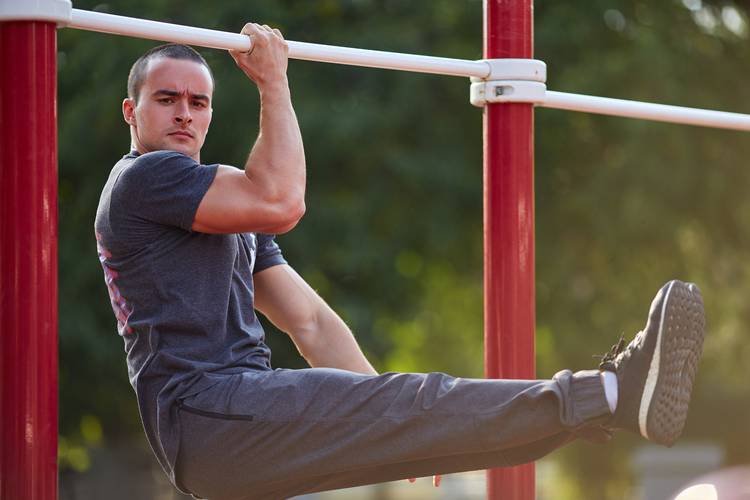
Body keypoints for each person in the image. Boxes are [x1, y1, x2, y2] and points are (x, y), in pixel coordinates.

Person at [94, 23, 706, 500]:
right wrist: (273, 83)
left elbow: (309, 322)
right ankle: (610, 393)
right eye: (166, 98)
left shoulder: (222, 206)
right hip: (211, 413)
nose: (184, 113)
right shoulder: (143, 181)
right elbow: (281, 199)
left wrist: (400, 433)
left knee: (414, 413)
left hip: (232, 427)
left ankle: (613, 404)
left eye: (198, 102)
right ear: (132, 112)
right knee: (421, 401)